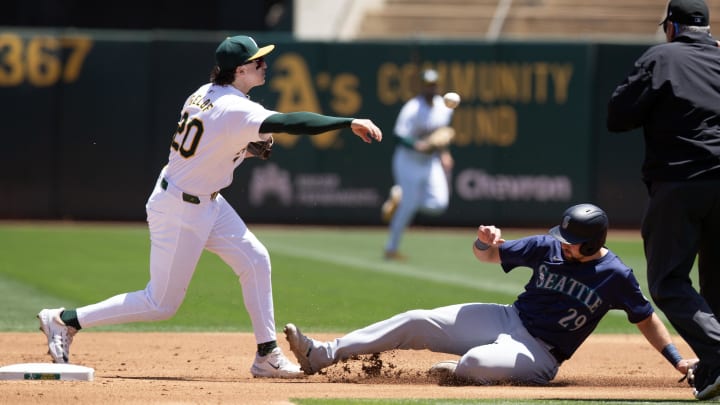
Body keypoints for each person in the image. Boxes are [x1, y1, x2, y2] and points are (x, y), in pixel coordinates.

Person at [36, 34, 383, 379]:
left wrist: (245, 150)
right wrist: (347, 122)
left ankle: (267, 355)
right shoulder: (236, 107)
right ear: (239, 70)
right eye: (257, 61)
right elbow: (290, 122)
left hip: (205, 201)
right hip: (181, 210)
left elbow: (208, 145)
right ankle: (64, 320)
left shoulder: (204, 93)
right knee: (161, 304)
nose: (264, 64)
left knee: (255, 259)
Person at [284, 203, 696, 385]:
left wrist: (677, 360)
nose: (563, 244)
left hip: (543, 353)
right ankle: (322, 354)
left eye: (572, 241)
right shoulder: (547, 246)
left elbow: (646, 317)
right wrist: (485, 242)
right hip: (507, 318)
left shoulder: (615, 275)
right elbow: (488, 257)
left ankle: (466, 371)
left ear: (592, 244)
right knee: (415, 319)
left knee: (475, 364)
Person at [606, 0, 720, 400]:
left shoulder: (662, 57)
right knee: (716, 285)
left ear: (671, 26)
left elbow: (618, 115)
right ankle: (712, 371)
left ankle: (718, 354)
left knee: (669, 280)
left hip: (681, 179)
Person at [381, 68, 455, 260]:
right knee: (408, 206)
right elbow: (398, 135)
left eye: (434, 84)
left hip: (430, 162)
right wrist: (418, 145)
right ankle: (391, 248)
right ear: (422, 86)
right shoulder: (412, 108)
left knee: (439, 204)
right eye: (427, 84)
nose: (431, 88)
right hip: (408, 161)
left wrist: (445, 153)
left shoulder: (442, 107)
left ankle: (400, 197)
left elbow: (440, 135)